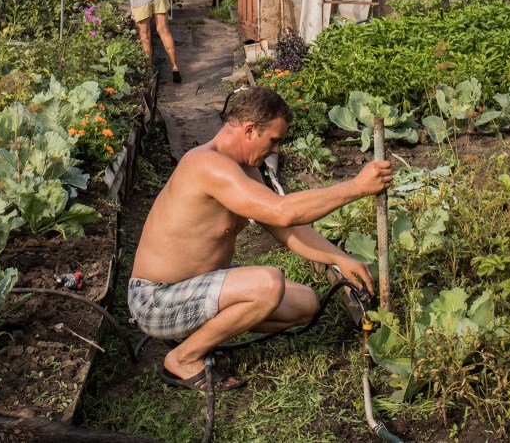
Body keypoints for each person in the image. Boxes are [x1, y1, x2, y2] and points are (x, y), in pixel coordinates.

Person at [127, 87, 394, 390]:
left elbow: (285, 229)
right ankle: (183, 359)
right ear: (250, 129)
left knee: (305, 304)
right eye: (274, 140)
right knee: (268, 285)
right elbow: (283, 212)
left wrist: (339, 258)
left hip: (196, 286)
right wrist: (356, 187)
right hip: (157, 299)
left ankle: (198, 334)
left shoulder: (245, 170)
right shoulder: (206, 165)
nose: (277, 150)